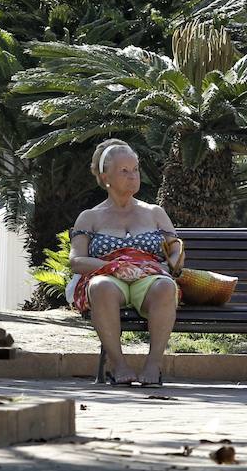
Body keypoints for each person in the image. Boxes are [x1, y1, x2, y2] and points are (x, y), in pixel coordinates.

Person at [66, 139, 184, 386]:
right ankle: (117, 365)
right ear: (105, 176)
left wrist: (168, 266)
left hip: (148, 276)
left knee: (165, 287)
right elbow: (76, 261)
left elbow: (176, 250)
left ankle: (154, 364)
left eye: (135, 170)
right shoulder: (90, 217)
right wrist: (113, 267)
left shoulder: (154, 212)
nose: (133, 176)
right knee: (101, 287)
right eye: (124, 171)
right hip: (108, 276)